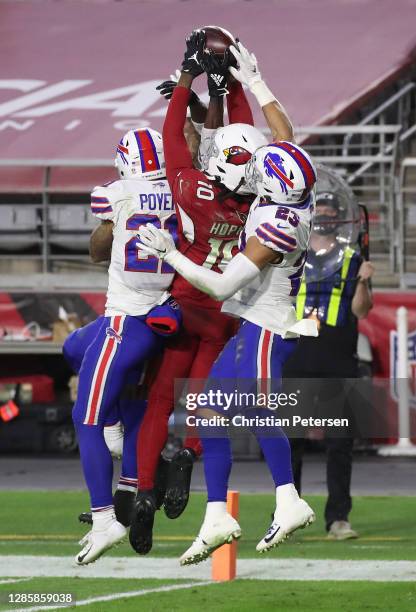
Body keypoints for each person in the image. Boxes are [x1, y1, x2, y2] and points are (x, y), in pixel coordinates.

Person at [137, 40, 319, 565]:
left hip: (266, 325)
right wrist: (255, 82)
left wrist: (172, 253)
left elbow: (218, 288)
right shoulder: (291, 187)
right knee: (209, 410)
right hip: (251, 322)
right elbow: (284, 136)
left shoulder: (276, 224)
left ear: (270, 186)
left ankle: (288, 500)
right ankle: (217, 514)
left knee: (262, 412)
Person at [129, 29, 269, 555]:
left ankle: (144, 491)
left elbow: (173, 135)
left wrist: (189, 76)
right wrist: (226, 86)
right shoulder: (259, 206)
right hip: (225, 312)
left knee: (160, 400)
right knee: (203, 406)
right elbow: (243, 137)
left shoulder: (193, 187)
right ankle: (187, 452)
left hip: (185, 302)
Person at [69, 127, 182, 565]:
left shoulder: (115, 192)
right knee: (75, 349)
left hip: (127, 318)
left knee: (86, 417)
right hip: (162, 313)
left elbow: (100, 239)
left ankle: (105, 519)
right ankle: (133, 471)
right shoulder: (178, 188)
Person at [283, 191, 374, 540]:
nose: (323, 215)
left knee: (340, 444)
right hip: (297, 354)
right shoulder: (293, 254)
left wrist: (364, 281)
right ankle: (288, 516)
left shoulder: (353, 258)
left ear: (340, 216)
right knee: (290, 442)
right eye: (318, 209)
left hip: (339, 357)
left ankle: (338, 519)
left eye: (329, 210)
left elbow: (361, 311)